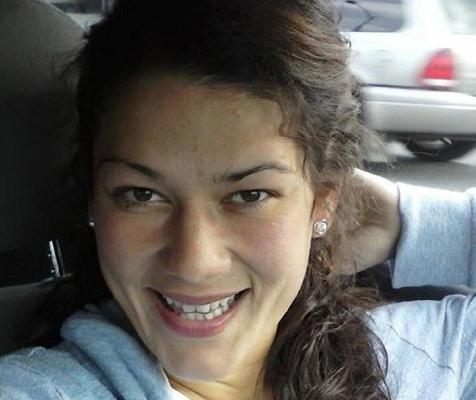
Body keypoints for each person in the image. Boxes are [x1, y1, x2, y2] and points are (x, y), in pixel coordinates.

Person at [0, 1, 475, 399]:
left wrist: (403, 221)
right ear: (93, 200)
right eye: (141, 195)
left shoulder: (418, 362)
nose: (194, 262)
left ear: (323, 201)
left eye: (250, 195)